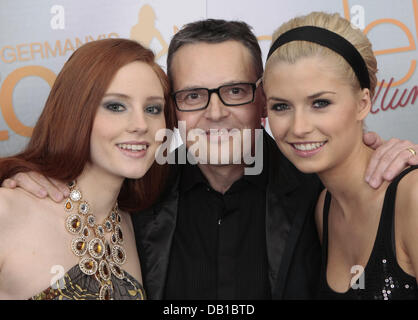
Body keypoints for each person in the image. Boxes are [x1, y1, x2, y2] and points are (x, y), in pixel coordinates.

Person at [3, 19, 417, 300]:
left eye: (234, 91)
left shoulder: (319, 192)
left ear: (262, 99)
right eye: (194, 95)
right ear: (173, 109)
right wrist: (34, 176)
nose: (215, 113)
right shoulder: (137, 195)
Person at [0, 38, 175, 300]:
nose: (141, 124)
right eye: (116, 106)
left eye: (153, 108)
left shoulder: (140, 222)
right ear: (75, 112)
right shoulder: (8, 210)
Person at [263, 11, 418, 299]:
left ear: (363, 102)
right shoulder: (325, 208)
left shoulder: (412, 197)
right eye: (281, 106)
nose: (299, 128)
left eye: (320, 103)